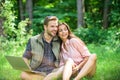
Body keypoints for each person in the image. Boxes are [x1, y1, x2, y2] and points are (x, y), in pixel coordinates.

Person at [20, 16, 60, 80]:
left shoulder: (59, 40)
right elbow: (25, 57)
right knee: (23, 74)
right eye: (52, 26)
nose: (55, 29)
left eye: (56, 26)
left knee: (62, 70)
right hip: (38, 72)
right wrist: (28, 69)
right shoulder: (33, 40)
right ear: (45, 27)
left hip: (54, 72)